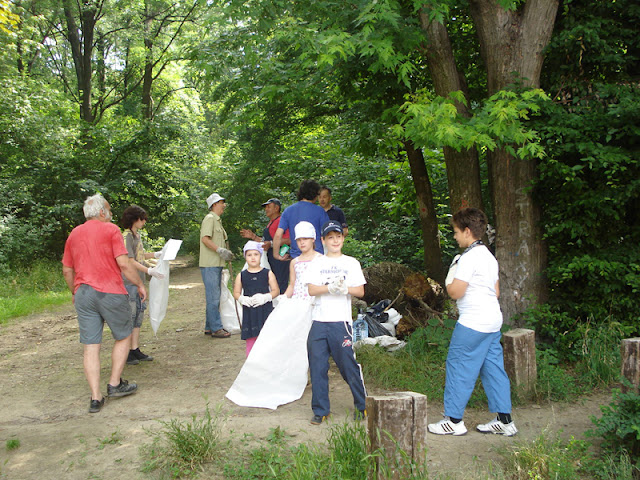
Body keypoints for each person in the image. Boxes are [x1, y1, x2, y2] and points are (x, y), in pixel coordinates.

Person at [428, 207, 517, 437]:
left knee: (458, 365)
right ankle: (504, 420)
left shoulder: (467, 258)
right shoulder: (489, 256)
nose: (455, 236)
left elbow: (455, 292)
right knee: (493, 368)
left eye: (456, 232)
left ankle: (453, 420)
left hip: (473, 322)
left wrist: (450, 276)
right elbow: (495, 291)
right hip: (492, 321)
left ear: (467, 231)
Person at [62, 194, 145, 413]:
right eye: (108, 209)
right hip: (109, 292)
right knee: (124, 335)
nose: (110, 212)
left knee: (91, 345)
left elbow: (67, 269)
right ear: (101, 212)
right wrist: (139, 284)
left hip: (83, 293)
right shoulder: (111, 230)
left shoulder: (74, 233)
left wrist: (74, 291)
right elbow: (124, 264)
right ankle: (115, 384)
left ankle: (96, 397)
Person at [225, 221, 320, 409]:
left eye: (305, 239)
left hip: (316, 304)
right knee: (298, 340)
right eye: (298, 239)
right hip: (298, 306)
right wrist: (285, 298)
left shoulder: (320, 260)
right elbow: (292, 285)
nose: (302, 243)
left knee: (313, 342)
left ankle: (313, 377)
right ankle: (296, 374)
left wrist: (270, 296)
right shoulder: (294, 262)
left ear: (313, 240)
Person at [305, 220, 367, 425]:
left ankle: (363, 405)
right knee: (317, 366)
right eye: (330, 237)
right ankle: (321, 410)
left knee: (347, 365)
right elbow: (312, 290)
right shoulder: (317, 263)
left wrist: (344, 288)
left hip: (341, 322)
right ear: (323, 240)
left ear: (343, 238)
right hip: (319, 321)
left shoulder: (351, 263)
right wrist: (329, 287)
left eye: (338, 237)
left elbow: (360, 291)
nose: (334, 241)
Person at [120, 205, 164, 365]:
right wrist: (149, 270)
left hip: (139, 281)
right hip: (129, 281)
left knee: (138, 315)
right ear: (134, 219)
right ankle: (126, 353)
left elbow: (139, 255)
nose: (144, 221)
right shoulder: (126, 236)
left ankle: (135, 348)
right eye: (142, 218)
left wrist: (156, 255)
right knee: (130, 315)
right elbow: (129, 260)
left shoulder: (136, 236)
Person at [233, 241, 279, 356]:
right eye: (249, 255)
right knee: (251, 339)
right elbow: (236, 292)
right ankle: (251, 362)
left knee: (267, 337)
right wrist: (242, 299)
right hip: (250, 311)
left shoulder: (268, 273)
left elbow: (276, 290)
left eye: (256, 254)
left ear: (260, 255)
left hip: (265, 310)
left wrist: (266, 297)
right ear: (245, 257)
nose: (253, 258)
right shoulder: (241, 275)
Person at [200, 193, 234, 338]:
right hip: (210, 264)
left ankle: (209, 326)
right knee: (213, 296)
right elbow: (205, 239)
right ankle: (216, 328)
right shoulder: (209, 219)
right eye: (221, 202)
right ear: (214, 205)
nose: (224, 205)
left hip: (216, 264)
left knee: (214, 295)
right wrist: (219, 250)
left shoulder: (217, 221)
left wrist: (224, 253)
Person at [240, 198, 291, 294]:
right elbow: (265, 242)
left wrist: (271, 244)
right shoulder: (270, 223)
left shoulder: (281, 221)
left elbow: (289, 240)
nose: (266, 209)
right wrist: (253, 236)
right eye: (265, 207)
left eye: (268, 206)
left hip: (281, 258)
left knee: (280, 284)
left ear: (276, 208)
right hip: (271, 258)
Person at [273, 180, 329, 260]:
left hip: (297, 257)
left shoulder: (288, 211)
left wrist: (276, 254)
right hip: (316, 256)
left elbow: (278, 234)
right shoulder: (320, 211)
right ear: (315, 195)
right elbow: (327, 234)